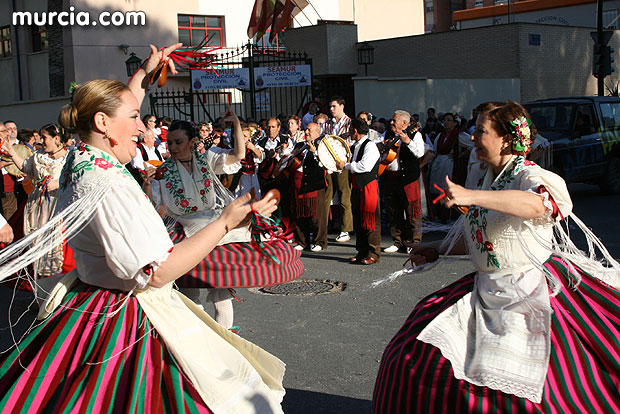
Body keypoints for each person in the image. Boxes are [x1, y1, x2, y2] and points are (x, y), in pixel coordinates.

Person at [0, 44, 288, 413]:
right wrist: (224, 222)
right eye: (135, 118)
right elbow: (156, 272)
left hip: (90, 297)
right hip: (127, 313)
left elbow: (116, 106)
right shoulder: (108, 183)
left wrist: (143, 75)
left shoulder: (81, 155)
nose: (142, 127)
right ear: (103, 123)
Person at [373, 101, 620, 413]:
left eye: (482, 131)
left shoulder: (528, 174)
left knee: (526, 385)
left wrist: (472, 196)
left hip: (526, 289)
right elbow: (481, 235)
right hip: (489, 286)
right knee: (414, 354)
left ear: (506, 139)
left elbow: (538, 206)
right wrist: (439, 250)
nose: (474, 137)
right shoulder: (489, 176)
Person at [2, 123, 73, 283]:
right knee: (36, 245)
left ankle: (57, 286)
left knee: (56, 248)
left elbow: (77, 180)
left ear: (56, 139)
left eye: (45, 137)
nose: (42, 141)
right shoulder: (39, 155)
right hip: (37, 207)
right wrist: (11, 151)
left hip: (58, 206)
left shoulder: (70, 157)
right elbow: (25, 167)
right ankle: (40, 289)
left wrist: (58, 184)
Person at [381, 110, 426, 253]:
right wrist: (381, 146)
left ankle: (415, 241)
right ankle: (397, 241)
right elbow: (377, 146)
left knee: (412, 210)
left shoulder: (415, 135)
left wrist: (407, 141)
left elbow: (420, 152)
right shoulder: (387, 134)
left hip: (408, 178)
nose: (391, 123)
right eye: (392, 120)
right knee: (394, 210)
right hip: (390, 177)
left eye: (395, 121)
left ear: (405, 123)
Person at [338, 118, 381, 265]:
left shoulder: (370, 146)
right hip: (357, 187)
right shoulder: (355, 146)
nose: (349, 132)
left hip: (368, 187)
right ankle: (362, 251)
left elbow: (365, 166)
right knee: (359, 220)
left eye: (350, 129)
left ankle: (373, 253)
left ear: (355, 130)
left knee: (370, 220)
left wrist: (346, 165)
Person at [292, 122, 328, 252]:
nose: (306, 132)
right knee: (300, 213)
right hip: (300, 182)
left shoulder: (322, 145)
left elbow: (326, 163)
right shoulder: (300, 145)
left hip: (315, 182)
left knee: (317, 215)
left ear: (318, 133)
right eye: (306, 130)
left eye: (309, 130)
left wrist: (314, 152)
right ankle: (302, 241)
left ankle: (319, 241)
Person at [322, 96, 353, 243]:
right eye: (330, 106)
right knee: (326, 197)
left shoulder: (350, 123)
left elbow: (352, 143)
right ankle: (322, 228)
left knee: (344, 197)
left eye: (334, 106)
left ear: (342, 106)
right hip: (329, 164)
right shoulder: (327, 124)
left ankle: (345, 229)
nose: (331, 109)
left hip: (343, 164)